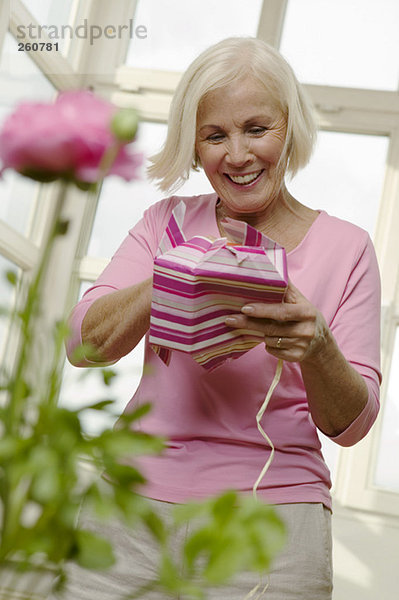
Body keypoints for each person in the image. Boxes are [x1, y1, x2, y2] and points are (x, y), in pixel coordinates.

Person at [64, 37, 381, 600]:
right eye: (215, 136)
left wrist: (319, 346)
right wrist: (174, 270)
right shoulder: (165, 223)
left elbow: (351, 427)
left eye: (256, 129)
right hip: (130, 510)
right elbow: (86, 344)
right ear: (194, 143)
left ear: (290, 128)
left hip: (274, 524)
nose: (237, 155)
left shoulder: (348, 248)